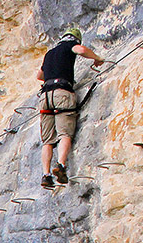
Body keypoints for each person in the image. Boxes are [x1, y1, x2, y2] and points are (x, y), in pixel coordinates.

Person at [37, 26, 104, 188]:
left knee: (47, 140)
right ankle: (60, 165)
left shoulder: (50, 53)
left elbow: (39, 76)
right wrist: (97, 58)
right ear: (74, 39)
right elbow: (80, 50)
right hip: (62, 92)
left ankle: (46, 175)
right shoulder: (70, 45)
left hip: (45, 96)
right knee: (64, 132)